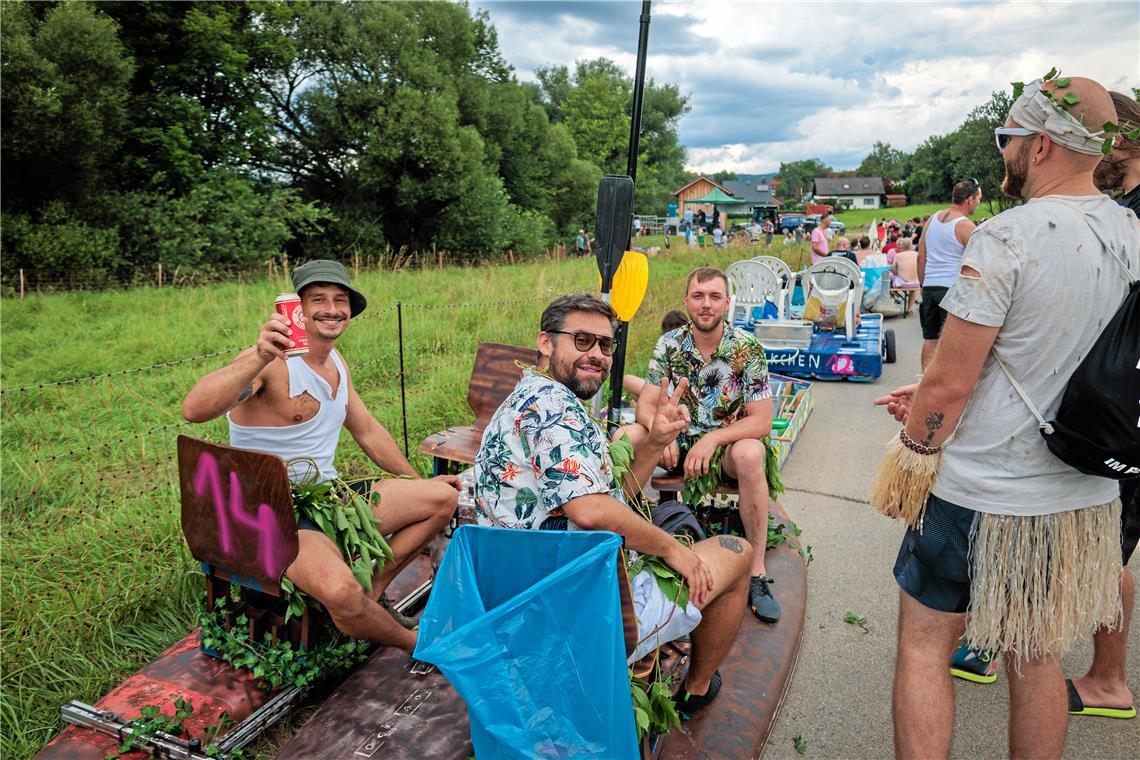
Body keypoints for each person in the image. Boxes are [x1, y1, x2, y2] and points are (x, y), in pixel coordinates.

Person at [874, 76, 1139, 758]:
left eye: (1007, 141)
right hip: (1080, 494)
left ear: (1042, 145)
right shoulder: (1131, 230)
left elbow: (950, 387)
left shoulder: (1007, 237)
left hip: (983, 491)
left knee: (926, 645)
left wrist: (915, 445)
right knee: (1036, 656)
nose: (1002, 157)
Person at [474, 295, 751, 715]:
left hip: (520, 599)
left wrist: (656, 442)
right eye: (582, 340)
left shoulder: (532, 397)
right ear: (546, 343)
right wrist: (673, 549)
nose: (597, 355)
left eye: (605, 345)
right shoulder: (553, 411)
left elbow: (612, 497)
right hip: (582, 613)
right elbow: (589, 509)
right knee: (738, 552)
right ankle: (694, 689)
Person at [181, 260, 459, 653]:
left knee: (442, 499)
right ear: (296, 309)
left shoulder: (336, 363)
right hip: (274, 514)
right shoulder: (271, 364)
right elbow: (194, 408)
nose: (332, 308)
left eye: (340, 300)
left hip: (328, 496)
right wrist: (259, 355)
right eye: (319, 299)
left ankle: (372, 589)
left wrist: (417, 481)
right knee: (339, 591)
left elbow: (367, 431)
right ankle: (414, 642)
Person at [634, 268, 781, 623]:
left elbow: (761, 420)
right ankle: (626, 546)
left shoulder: (746, 347)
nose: (706, 305)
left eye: (715, 297)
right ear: (686, 301)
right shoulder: (669, 344)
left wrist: (713, 438)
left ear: (726, 303)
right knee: (626, 437)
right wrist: (657, 432)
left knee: (751, 452)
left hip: (724, 447)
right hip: (676, 438)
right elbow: (645, 404)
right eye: (698, 296)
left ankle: (756, 572)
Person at [1065, 88, 1140, 721]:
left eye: (1104, 139)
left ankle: (1110, 680)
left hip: (1122, 410)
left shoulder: (1133, 215)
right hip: (1118, 401)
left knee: (1108, 545)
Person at [917, 178, 982, 369]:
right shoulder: (966, 226)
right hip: (951, 289)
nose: (978, 204)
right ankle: (944, 383)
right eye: (978, 199)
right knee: (951, 343)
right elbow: (978, 263)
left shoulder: (932, 219)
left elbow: (921, 257)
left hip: (930, 286)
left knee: (930, 339)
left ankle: (923, 381)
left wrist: (922, 284)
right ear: (969, 200)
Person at [623, 309, 689, 401]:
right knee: (636, 394)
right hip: (671, 395)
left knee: (626, 380)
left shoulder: (667, 348)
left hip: (668, 397)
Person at [890, 237, 920, 315]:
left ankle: (892, 299)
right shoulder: (917, 254)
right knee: (913, 290)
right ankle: (909, 309)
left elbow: (894, 270)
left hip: (903, 283)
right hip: (916, 283)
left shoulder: (898, 255)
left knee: (889, 274)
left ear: (902, 245)